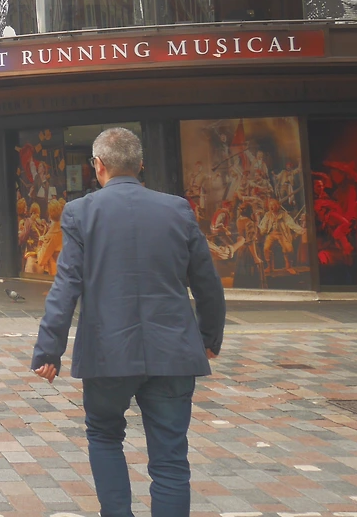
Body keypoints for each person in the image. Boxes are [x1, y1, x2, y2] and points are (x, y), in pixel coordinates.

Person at [32, 127, 225, 517]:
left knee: (105, 437)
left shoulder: (81, 212)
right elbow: (206, 281)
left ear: (98, 165)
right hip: (173, 351)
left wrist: (49, 349)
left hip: (107, 353)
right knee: (170, 458)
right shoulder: (177, 209)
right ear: (140, 166)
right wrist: (208, 337)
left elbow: (66, 286)